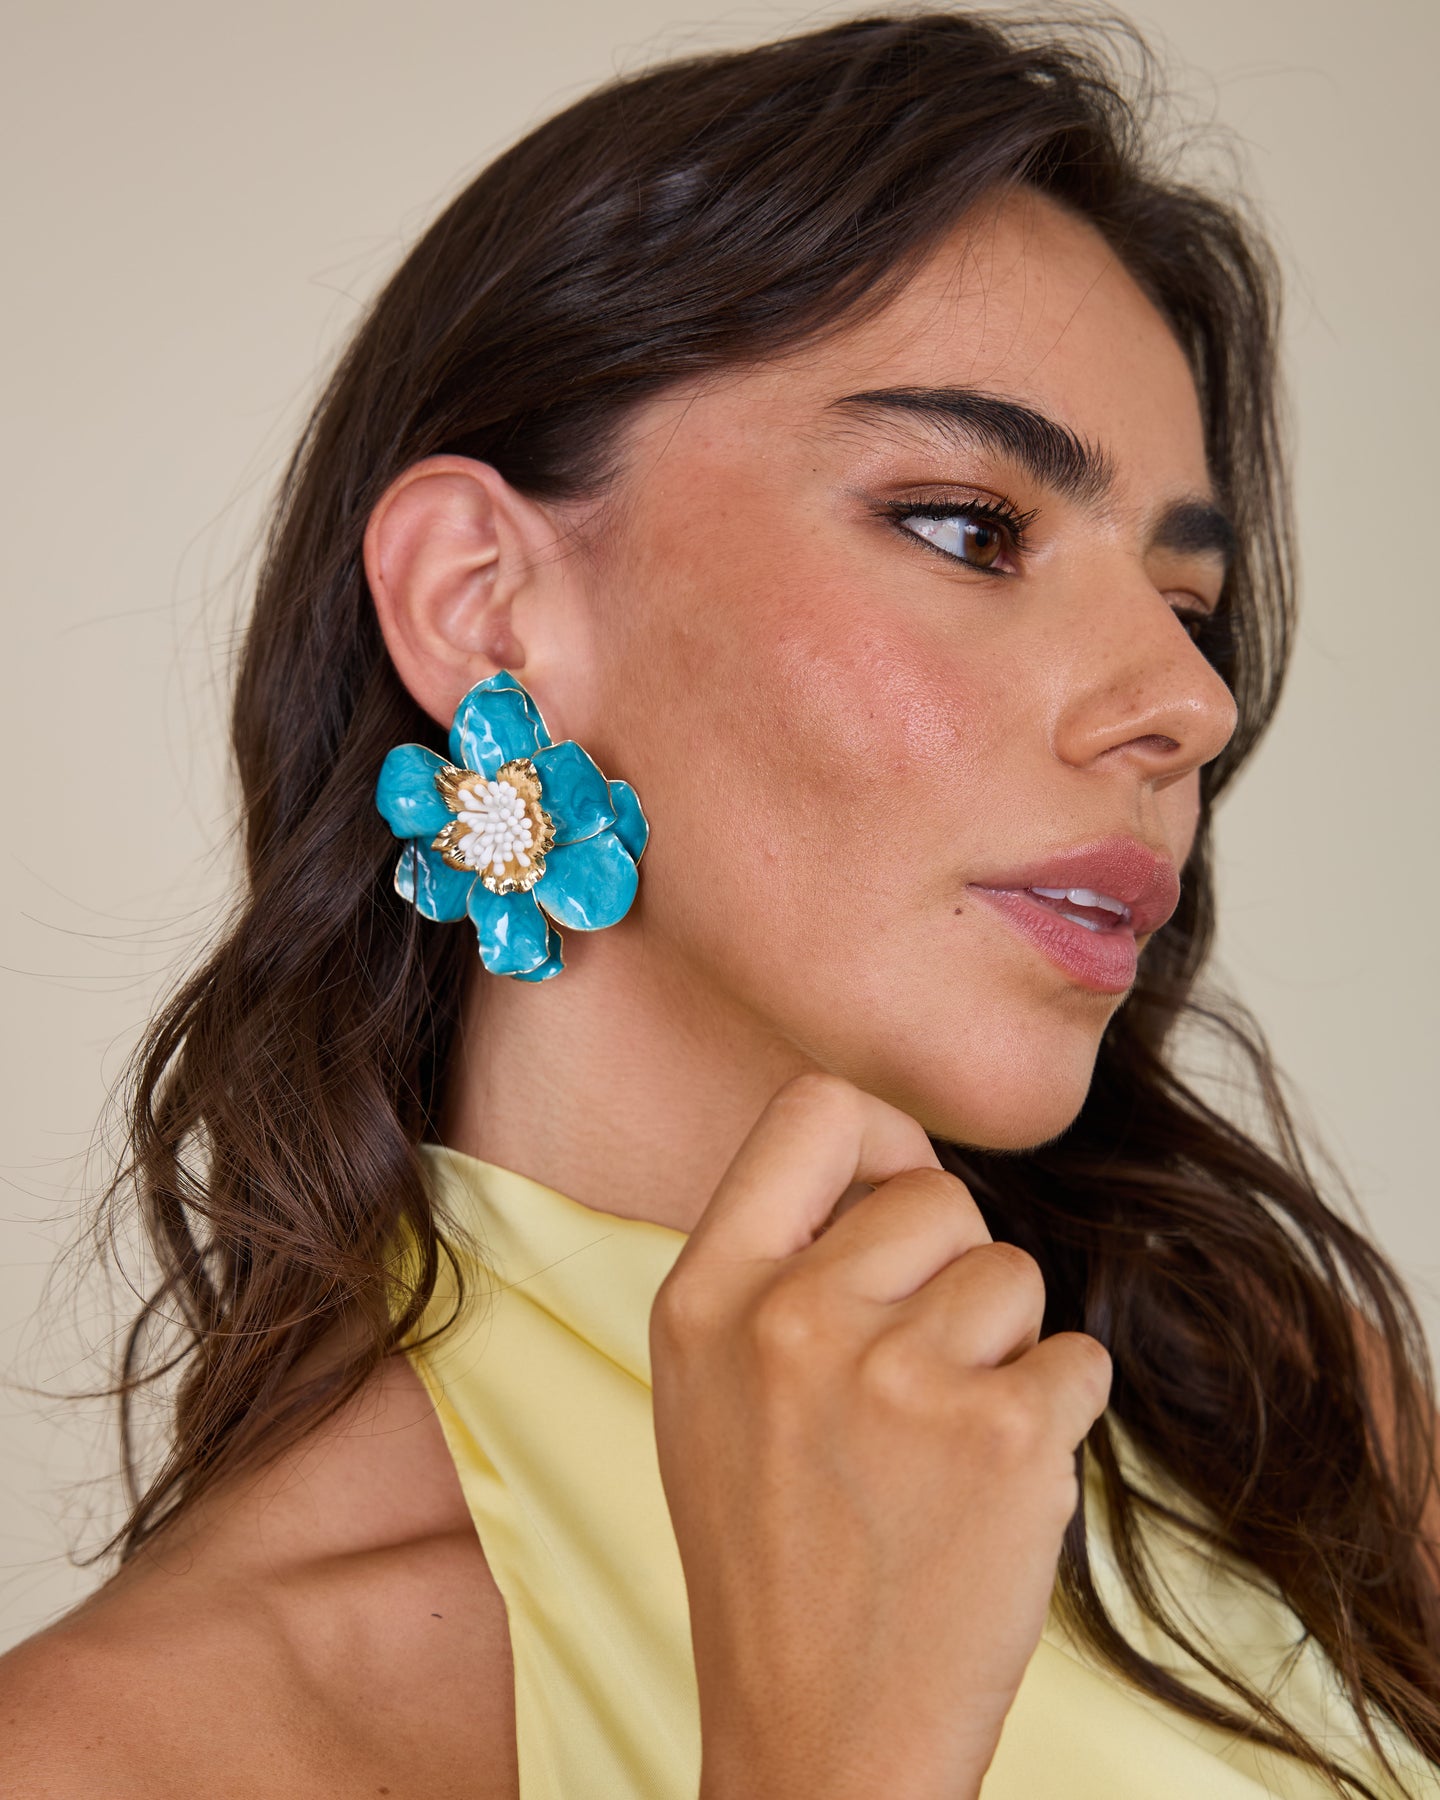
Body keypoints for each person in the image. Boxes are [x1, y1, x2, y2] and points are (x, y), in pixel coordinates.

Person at [3, 7, 1438, 1797]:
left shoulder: (1291, 1419)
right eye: (969, 526)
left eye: (1186, 603)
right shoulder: (128, 1749)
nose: (1188, 704)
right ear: (479, 601)